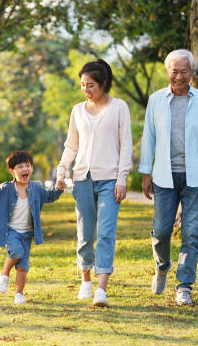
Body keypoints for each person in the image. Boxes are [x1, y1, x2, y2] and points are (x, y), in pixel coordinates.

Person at [139, 49, 198, 306]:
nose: (179, 76)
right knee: (162, 231)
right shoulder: (155, 100)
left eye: (183, 71)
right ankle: (162, 266)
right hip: (164, 176)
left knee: (190, 233)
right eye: (174, 71)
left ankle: (184, 285)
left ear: (191, 73)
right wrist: (145, 172)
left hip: (195, 176)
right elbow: (149, 136)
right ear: (167, 72)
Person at [56, 59, 133, 307]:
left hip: (110, 180)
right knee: (85, 233)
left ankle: (101, 289)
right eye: (82, 85)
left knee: (106, 233)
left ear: (104, 84)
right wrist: (61, 169)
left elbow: (125, 146)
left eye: (91, 85)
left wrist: (122, 178)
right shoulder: (77, 110)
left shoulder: (120, 107)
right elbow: (71, 145)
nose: (86, 90)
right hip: (82, 179)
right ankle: (85, 280)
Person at [0, 151, 65, 304]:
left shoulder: (37, 188)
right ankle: (4, 274)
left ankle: (19, 294)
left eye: (28, 166)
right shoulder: (6, 188)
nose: (25, 169)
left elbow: (49, 196)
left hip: (27, 234)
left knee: (23, 267)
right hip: (10, 231)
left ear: (31, 168)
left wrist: (59, 189)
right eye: (20, 166)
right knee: (17, 251)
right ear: (12, 171)